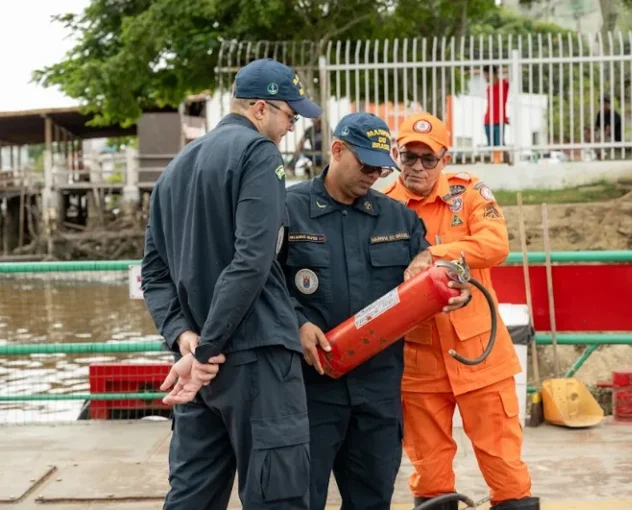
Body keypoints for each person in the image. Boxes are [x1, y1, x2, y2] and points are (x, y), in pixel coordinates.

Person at [140, 58, 322, 510]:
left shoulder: (174, 169)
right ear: (260, 108)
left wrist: (185, 339)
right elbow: (253, 259)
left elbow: (154, 273)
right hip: (255, 358)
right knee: (278, 493)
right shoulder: (257, 153)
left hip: (199, 368)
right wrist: (205, 351)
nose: (289, 127)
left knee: (192, 495)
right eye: (289, 115)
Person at [278, 111, 471, 510]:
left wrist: (455, 289)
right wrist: (295, 323)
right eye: (365, 164)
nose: (373, 176)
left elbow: (430, 278)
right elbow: (261, 285)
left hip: (378, 394)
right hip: (310, 390)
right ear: (336, 150)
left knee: (372, 499)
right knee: (299, 499)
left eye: (381, 169)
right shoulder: (288, 210)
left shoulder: (399, 219)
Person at [383, 112, 539, 510]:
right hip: (418, 362)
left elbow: (494, 244)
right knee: (429, 473)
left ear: (444, 158)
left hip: (479, 356)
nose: (417, 166)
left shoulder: (468, 194)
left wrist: (432, 255)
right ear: (396, 155)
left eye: (427, 158)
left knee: (506, 470)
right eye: (408, 156)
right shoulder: (382, 208)